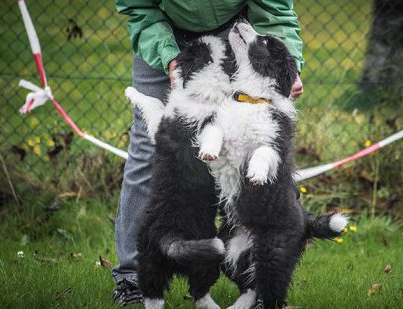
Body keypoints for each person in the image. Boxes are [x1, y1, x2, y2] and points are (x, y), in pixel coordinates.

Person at [112, 0, 305, 305]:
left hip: (233, 30)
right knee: (147, 151)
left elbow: (275, 11)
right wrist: (166, 54)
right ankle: (131, 276)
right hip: (159, 26)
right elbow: (138, 6)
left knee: (256, 152)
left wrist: (287, 65)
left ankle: (259, 274)